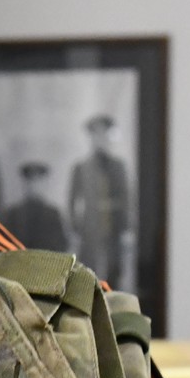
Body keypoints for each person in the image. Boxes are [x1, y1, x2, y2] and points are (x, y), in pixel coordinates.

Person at [67, 113, 133, 287]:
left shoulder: (118, 167)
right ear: (91, 138)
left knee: (114, 271)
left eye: (104, 134)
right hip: (90, 229)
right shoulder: (81, 168)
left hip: (113, 228)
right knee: (88, 272)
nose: (100, 139)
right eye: (96, 135)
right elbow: (72, 201)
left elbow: (126, 198)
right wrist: (75, 228)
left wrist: (126, 228)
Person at [0, 161, 70, 251]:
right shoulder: (13, 214)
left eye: (38, 182)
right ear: (24, 184)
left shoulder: (53, 214)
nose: (34, 187)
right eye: (31, 182)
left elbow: (62, 246)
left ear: (45, 185)